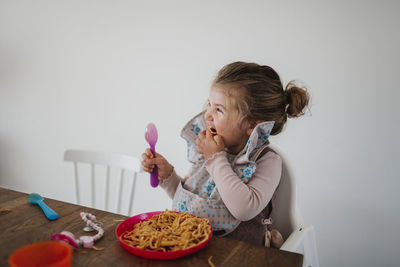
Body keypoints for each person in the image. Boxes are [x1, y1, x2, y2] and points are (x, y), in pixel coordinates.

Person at [141, 61, 310, 246]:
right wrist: (168, 177)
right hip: (193, 247)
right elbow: (195, 206)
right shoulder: (210, 149)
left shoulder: (267, 161)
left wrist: (216, 159)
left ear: (252, 125)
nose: (207, 115)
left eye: (219, 109)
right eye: (209, 105)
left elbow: (244, 208)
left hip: (240, 255)